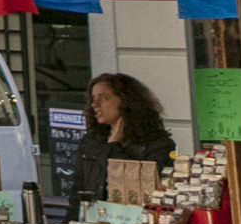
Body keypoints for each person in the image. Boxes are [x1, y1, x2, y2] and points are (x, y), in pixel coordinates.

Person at [71, 72, 176, 209]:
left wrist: (114, 148)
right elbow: (78, 190)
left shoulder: (156, 143)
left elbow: (142, 188)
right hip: (93, 219)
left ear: (126, 102)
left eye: (104, 98)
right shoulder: (91, 140)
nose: (95, 105)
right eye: (93, 98)